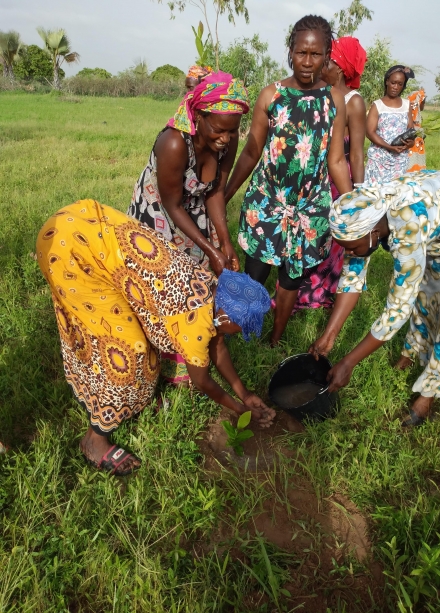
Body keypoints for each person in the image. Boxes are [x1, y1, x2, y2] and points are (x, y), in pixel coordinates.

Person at [36, 200, 276, 476]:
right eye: (243, 327)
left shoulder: (210, 285)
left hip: (84, 224)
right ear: (226, 318)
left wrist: (244, 393)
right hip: (70, 252)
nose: (243, 333)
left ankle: (133, 400)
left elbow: (218, 345)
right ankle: (95, 438)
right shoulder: (194, 326)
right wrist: (238, 408)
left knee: (144, 352)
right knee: (126, 356)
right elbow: (203, 380)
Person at [224, 15, 352, 345]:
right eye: (301, 53)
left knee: (291, 279)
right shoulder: (271, 96)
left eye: (315, 54)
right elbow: (252, 152)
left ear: (326, 55)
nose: (307, 63)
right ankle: (243, 331)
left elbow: (336, 159)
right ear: (290, 51)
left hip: (310, 208)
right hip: (267, 202)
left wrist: (352, 205)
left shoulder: (335, 100)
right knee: (255, 273)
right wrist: (225, 195)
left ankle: (275, 338)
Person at [309, 169, 440, 426]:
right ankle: (410, 355)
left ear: (373, 232)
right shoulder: (366, 212)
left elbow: (397, 309)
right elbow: (352, 278)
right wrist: (330, 334)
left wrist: (349, 362)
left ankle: (428, 396)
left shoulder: (408, 228)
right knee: (427, 297)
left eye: (352, 247)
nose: (351, 253)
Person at [128, 71, 249, 383]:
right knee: (165, 285)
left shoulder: (228, 138)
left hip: (194, 210)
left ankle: (192, 343)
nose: (225, 138)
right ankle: (163, 354)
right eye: (220, 130)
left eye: (232, 131)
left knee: (199, 278)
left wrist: (224, 242)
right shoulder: (173, 143)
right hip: (159, 215)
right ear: (200, 115)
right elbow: (172, 205)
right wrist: (209, 247)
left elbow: (216, 192)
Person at [284, 35, 367, 312]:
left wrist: (357, 197)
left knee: (328, 241)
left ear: (340, 68)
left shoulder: (353, 102)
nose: (322, 65)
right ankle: (296, 284)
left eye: (328, 60)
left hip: (336, 181)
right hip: (310, 180)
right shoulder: (319, 93)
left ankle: (318, 292)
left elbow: (355, 152)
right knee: (306, 236)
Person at [365, 65, 416, 184]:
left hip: (400, 160)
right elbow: (370, 132)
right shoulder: (378, 105)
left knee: (397, 195)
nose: (396, 87)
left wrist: (410, 143)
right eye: (393, 83)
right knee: (376, 195)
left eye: (400, 84)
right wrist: (389, 147)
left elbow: (410, 129)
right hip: (380, 160)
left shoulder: (406, 105)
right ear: (387, 81)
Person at [407, 89, 427, 172]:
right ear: (419, 102)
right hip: (415, 141)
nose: (423, 105)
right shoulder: (414, 122)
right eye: (423, 102)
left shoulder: (407, 110)